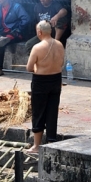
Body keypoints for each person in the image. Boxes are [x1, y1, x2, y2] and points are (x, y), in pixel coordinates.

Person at [26, 20, 66, 153]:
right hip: (56, 79)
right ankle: (51, 142)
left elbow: (29, 68)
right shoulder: (60, 44)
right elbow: (61, 63)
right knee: (52, 111)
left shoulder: (37, 47)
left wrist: (39, 66)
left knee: (38, 112)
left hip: (41, 81)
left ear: (39, 32)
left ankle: (37, 146)